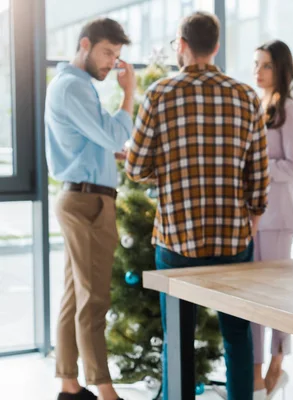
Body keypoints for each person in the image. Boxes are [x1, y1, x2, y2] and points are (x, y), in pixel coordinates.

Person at [125, 11, 269, 400]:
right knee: (237, 334)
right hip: (232, 239)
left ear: (182, 45)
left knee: (177, 337)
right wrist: (253, 214)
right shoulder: (245, 96)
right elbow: (259, 171)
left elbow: (137, 166)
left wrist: (168, 168)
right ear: (216, 46)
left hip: (177, 238)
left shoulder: (160, 93)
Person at [46, 17, 135, 400]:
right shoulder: (73, 87)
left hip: (79, 196)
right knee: (93, 298)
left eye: (116, 56)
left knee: (73, 295)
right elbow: (114, 131)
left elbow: (94, 139)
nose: (112, 63)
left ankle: (69, 385)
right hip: (88, 202)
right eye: (106, 53)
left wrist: (105, 148)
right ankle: (105, 390)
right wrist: (128, 94)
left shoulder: (75, 86)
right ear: (85, 44)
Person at [250, 40, 293, 399]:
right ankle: (255, 374)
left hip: (278, 217)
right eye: (255, 64)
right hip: (255, 217)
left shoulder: (288, 108)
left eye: (266, 65)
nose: (258, 71)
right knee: (253, 299)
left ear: (281, 69)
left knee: (273, 300)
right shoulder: (259, 105)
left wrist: (259, 167)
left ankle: (275, 365)